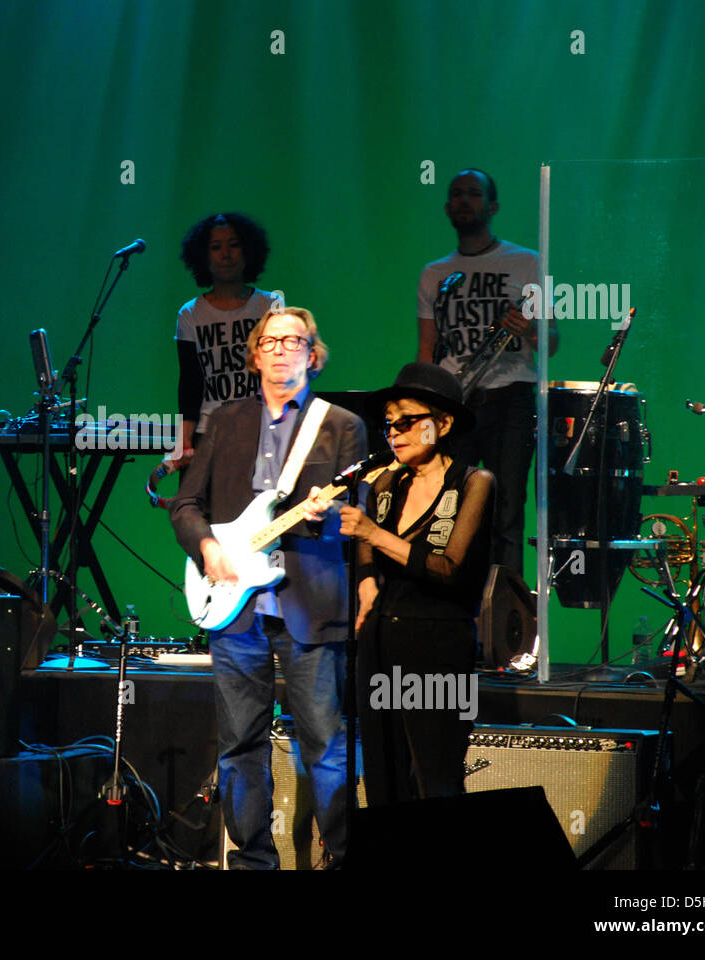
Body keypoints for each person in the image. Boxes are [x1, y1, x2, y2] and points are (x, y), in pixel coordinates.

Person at [170, 306, 367, 869]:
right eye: (271, 340)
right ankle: (254, 862)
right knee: (239, 748)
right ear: (255, 354)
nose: (282, 349)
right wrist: (208, 549)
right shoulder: (225, 419)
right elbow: (186, 504)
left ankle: (341, 859)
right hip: (235, 610)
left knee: (326, 747)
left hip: (311, 603)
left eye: (295, 340)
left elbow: (358, 515)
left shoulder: (342, 425)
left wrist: (321, 515)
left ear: (313, 354)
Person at [340, 362, 494, 805]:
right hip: (380, 640)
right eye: (389, 424)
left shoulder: (473, 482)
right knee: (383, 780)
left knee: (437, 777)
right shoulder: (383, 484)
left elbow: (448, 568)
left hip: (440, 642)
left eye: (408, 421)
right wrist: (366, 588)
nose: (395, 432)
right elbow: (368, 559)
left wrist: (372, 533)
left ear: (442, 424)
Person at [416, 168, 556, 574]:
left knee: (506, 507)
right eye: (456, 194)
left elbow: (551, 341)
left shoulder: (526, 263)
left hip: (510, 398)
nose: (463, 201)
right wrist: (423, 410)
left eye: (473, 194)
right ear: (446, 207)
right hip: (453, 403)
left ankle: (505, 613)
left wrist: (528, 328)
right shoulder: (433, 273)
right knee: (449, 506)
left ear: (492, 206)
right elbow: (426, 349)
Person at [175, 212, 277, 457]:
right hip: (208, 431)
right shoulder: (190, 313)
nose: (226, 255)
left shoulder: (270, 305)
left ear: (248, 252)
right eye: (216, 247)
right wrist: (184, 438)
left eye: (234, 245)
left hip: (260, 429)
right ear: (203, 256)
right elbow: (190, 381)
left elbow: (279, 373)